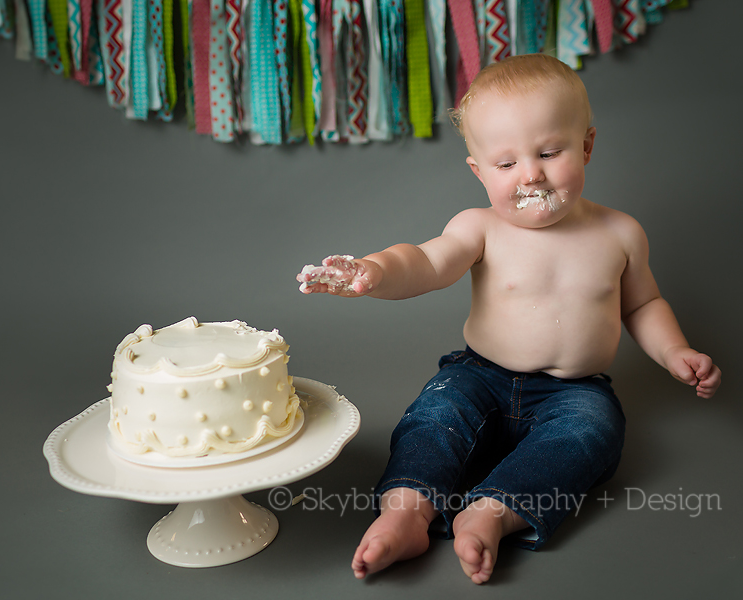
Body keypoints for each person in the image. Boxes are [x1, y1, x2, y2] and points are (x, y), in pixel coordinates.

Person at [296, 53, 721, 584]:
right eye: (506, 164)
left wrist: (674, 350)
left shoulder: (620, 234)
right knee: (434, 418)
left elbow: (642, 305)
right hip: (480, 375)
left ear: (586, 144)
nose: (531, 174)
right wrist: (375, 271)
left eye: (549, 151)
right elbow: (426, 263)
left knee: (593, 435)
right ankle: (405, 512)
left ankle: (493, 511)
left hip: (575, 391)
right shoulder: (480, 228)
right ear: (478, 171)